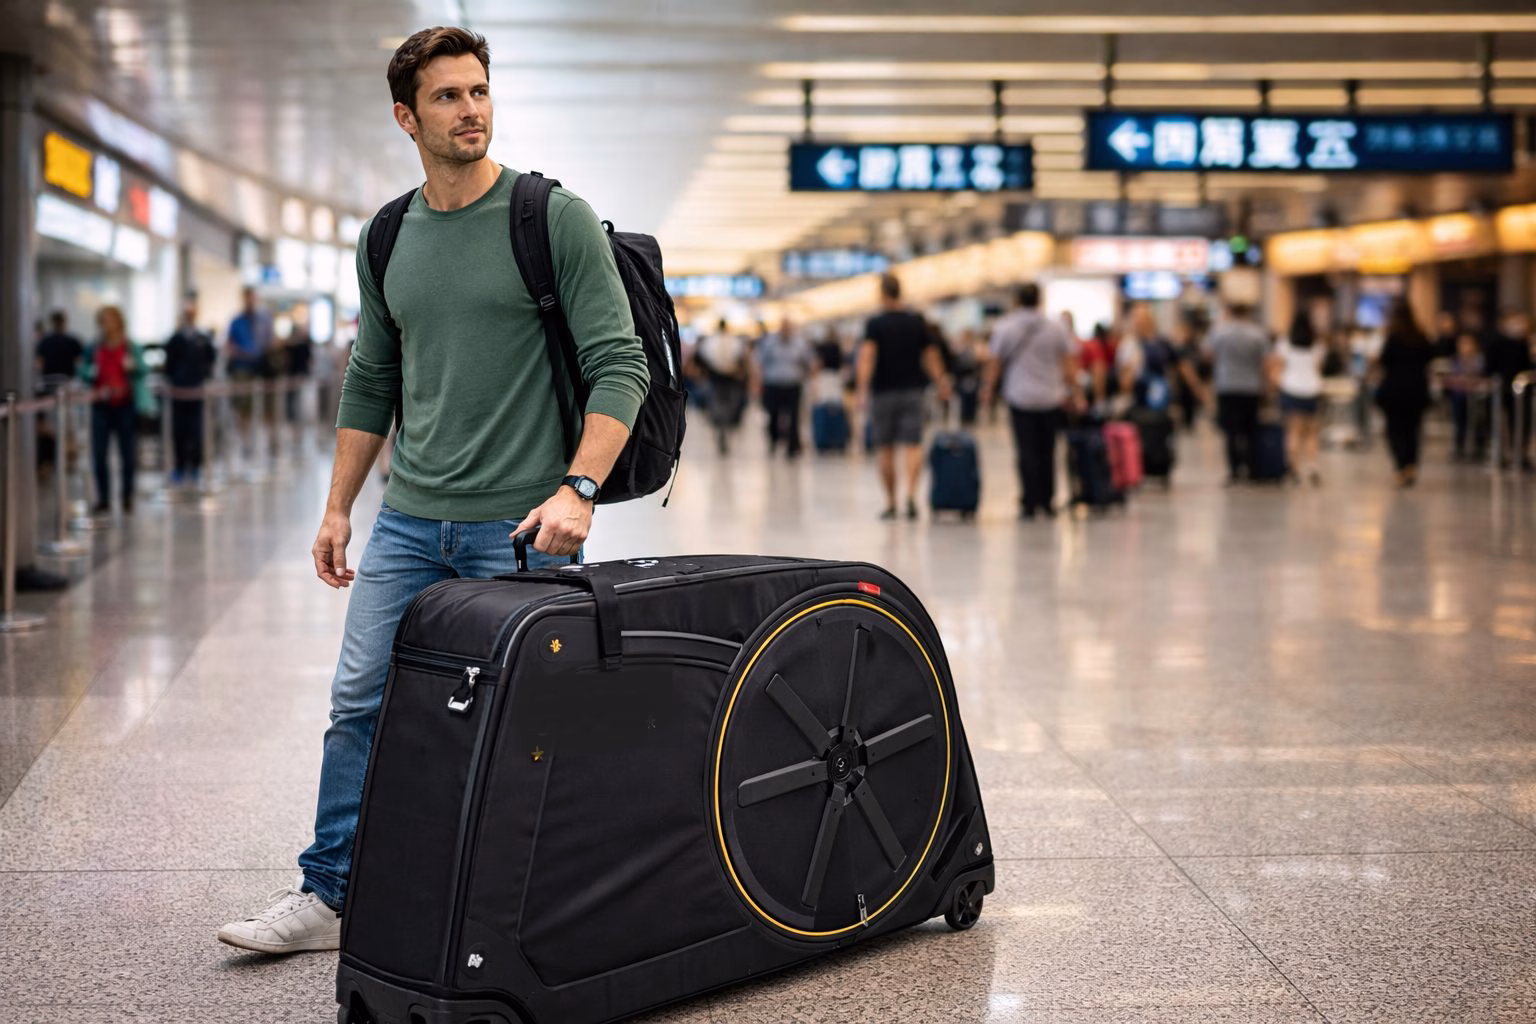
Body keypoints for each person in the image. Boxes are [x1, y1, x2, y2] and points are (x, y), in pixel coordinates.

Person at [216, 25, 648, 955]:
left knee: (533, 718)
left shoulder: (551, 218)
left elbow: (622, 364)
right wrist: (339, 506)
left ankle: (539, 901)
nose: (471, 110)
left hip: (522, 526)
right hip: (409, 521)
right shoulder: (387, 236)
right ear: (406, 118)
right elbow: (372, 377)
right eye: (448, 96)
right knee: (360, 703)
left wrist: (579, 488)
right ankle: (331, 893)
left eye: (479, 90)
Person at [856, 273, 951, 520]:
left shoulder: (875, 324)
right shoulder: (916, 321)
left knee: (885, 447)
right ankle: (910, 494)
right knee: (913, 444)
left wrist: (862, 389)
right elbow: (931, 355)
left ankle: (891, 502)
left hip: (883, 391)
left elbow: (867, 356)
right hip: (913, 391)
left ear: (882, 294)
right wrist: (941, 382)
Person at [982, 282, 1080, 520]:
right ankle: (1047, 500)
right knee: (1048, 450)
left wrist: (988, 389)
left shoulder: (1006, 326)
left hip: (1020, 397)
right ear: (1039, 300)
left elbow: (995, 363)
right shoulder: (1056, 327)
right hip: (1051, 397)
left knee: (1025, 451)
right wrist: (1077, 392)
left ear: (1017, 300)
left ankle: (1029, 501)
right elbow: (1068, 364)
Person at [80, 306, 140, 515]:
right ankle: (103, 497)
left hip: (125, 405)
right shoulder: (94, 347)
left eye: (110, 319)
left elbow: (142, 370)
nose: (107, 324)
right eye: (103, 320)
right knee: (99, 454)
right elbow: (83, 370)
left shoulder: (130, 346)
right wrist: (90, 372)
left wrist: (133, 366)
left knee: (127, 454)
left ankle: (127, 496)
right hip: (101, 406)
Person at [1205, 303, 1270, 484]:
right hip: (1251, 386)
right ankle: (1252, 469)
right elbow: (1265, 362)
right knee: (1251, 430)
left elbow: (1208, 355)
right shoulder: (1258, 333)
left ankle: (1234, 471)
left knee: (1230, 430)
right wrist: (1267, 387)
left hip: (1226, 385)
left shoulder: (1219, 332)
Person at [1372, 301, 1434, 488]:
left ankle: (1400, 467)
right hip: (1416, 390)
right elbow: (1430, 357)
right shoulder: (1421, 337)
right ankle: (1411, 465)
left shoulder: (1393, 338)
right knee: (1412, 430)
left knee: (1394, 430)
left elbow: (1384, 361)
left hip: (1394, 391)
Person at [162, 295, 217, 485]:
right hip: (178, 393)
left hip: (197, 393)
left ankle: (195, 466)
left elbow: (210, 360)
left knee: (197, 431)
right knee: (179, 432)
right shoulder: (175, 339)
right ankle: (180, 465)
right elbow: (169, 365)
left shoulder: (202, 338)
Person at [1271, 309, 1327, 486]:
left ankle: (1293, 468)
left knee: (1292, 432)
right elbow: (1318, 369)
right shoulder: (1318, 345)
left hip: (1291, 389)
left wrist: (1276, 385)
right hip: (1311, 390)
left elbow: (1277, 368)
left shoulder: (1284, 344)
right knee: (1311, 432)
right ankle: (1312, 466)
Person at [751, 318, 812, 458]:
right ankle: (773, 441)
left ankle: (792, 447)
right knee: (772, 415)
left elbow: (808, 362)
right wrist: (756, 382)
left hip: (793, 385)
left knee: (794, 416)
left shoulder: (799, 344)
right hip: (773, 384)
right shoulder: (769, 344)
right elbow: (759, 363)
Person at [1485, 308, 1534, 471]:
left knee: (1521, 424)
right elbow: (1489, 368)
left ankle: (1520, 454)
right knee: (1500, 424)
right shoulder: (1495, 343)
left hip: (1521, 392)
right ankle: (1501, 454)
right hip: (1500, 391)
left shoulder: (1523, 344)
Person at [697, 318, 749, 455]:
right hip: (730, 378)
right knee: (729, 405)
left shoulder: (710, 341)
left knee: (717, 404)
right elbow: (741, 360)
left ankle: (720, 425)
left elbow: (701, 359)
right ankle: (725, 426)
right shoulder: (735, 341)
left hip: (715, 377)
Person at [1445, 331, 1488, 462]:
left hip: (1476, 397)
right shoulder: (1455, 360)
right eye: (1463, 343)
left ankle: (1479, 447)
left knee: (1478, 422)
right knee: (1460, 423)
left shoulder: (1479, 360)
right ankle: (1460, 447)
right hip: (1459, 396)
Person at [35, 309, 84, 387]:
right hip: (57, 379)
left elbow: (40, 362)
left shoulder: (45, 341)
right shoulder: (72, 341)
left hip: (58, 379)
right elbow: (79, 362)